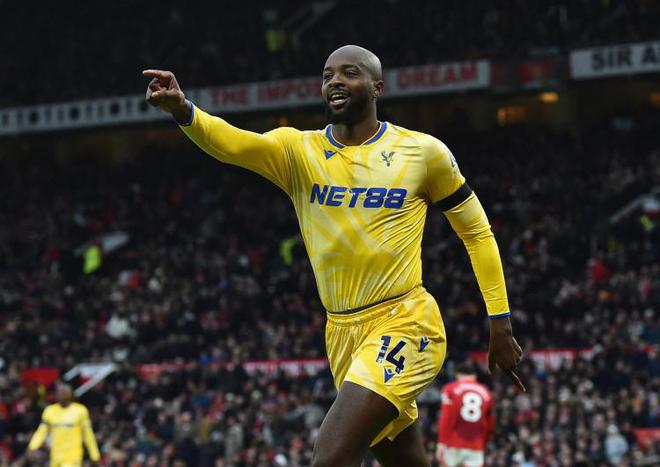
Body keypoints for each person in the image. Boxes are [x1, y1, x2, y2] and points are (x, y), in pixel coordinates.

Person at [143, 44, 524, 467]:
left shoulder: (423, 153)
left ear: (377, 87)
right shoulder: (298, 152)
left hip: (406, 322)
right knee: (404, 461)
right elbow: (232, 144)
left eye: (349, 73)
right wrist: (183, 110)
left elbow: (477, 232)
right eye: (327, 75)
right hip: (342, 333)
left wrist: (500, 322)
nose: (335, 82)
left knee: (330, 456)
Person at [436, 363, 494, 467]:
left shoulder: (450, 389)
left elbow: (446, 417)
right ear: (474, 376)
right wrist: (483, 444)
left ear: (457, 375)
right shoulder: (486, 393)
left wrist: (441, 442)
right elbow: (489, 424)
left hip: (453, 444)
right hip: (476, 446)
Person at [27, 384, 101, 466]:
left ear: (70, 394)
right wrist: (32, 446)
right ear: (57, 395)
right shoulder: (50, 411)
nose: (63, 395)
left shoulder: (80, 411)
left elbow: (88, 434)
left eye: (65, 392)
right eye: (60, 393)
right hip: (56, 457)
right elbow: (41, 432)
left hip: (73, 457)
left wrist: (95, 455)